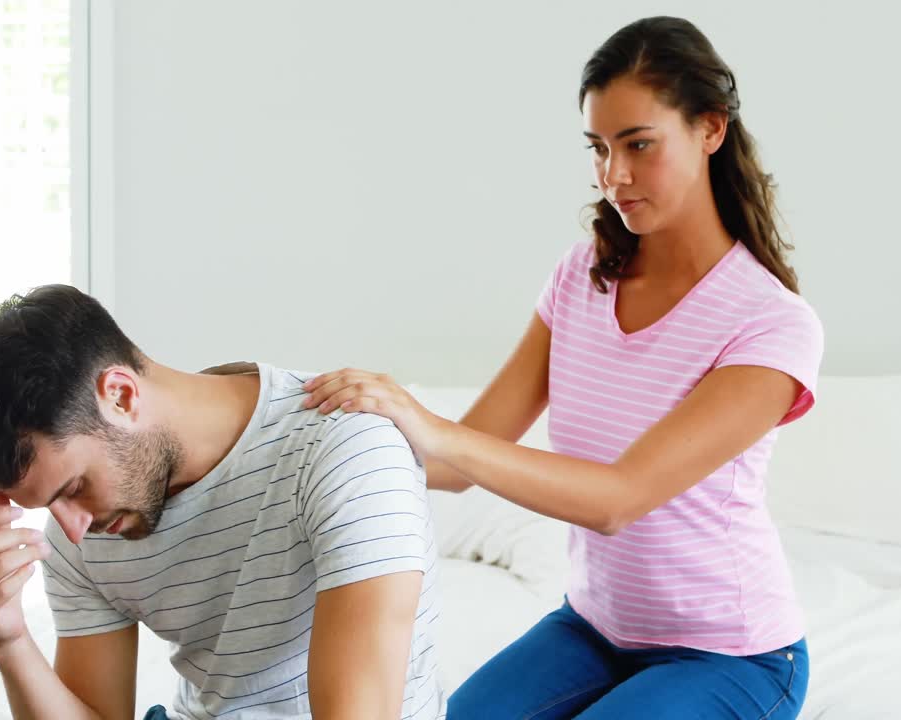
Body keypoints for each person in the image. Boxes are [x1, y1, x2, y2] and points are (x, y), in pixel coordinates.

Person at [301, 16, 822, 720]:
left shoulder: (771, 322)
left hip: (734, 655)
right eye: (599, 148)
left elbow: (618, 499)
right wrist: (326, 425)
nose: (614, 176)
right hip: (595, 630)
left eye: (638, 144)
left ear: (710, 129)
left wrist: (429, 424)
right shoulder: (582, 279)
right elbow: (453, 466)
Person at [0, 284, 445, 720]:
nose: (72, 530)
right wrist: (8, 637)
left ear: (120, 395)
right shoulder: (84, 534)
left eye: (72, 488)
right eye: (49, 506)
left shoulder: (346, 446)